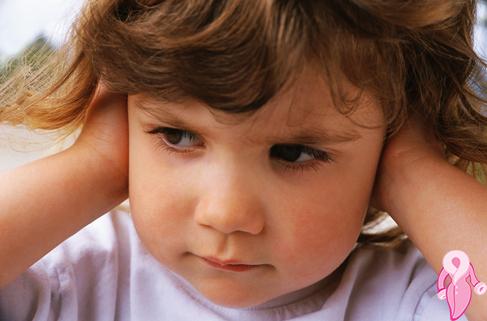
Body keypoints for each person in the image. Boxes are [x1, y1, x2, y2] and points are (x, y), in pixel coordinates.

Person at [0, 0, 486, 320]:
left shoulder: (430, 295)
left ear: (391, 140)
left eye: (292, 152)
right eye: (178, 135)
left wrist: (414, 173)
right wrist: (96, 165)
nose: (226, 214)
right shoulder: (80, 279)